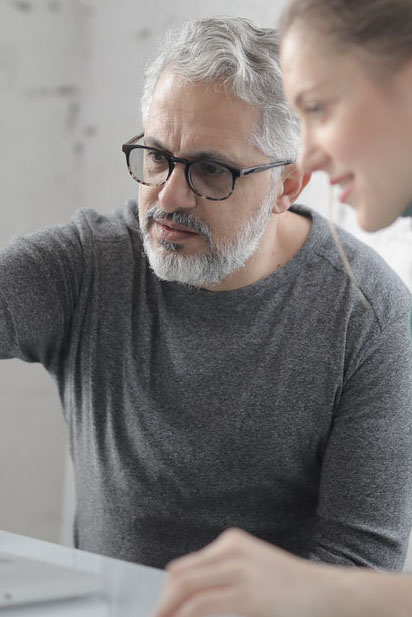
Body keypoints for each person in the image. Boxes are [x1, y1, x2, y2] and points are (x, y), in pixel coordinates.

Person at [2, 16, 412, 574]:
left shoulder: (369, 319)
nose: (168, 196)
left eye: (211, 170)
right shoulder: (87, 264)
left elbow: (361, 568)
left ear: (285, 188)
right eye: (156, 157)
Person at [151, 3, 412, 617]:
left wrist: (321, 590)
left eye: (319, 108)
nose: (312, 157)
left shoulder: (372, 314)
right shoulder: (101, 254)